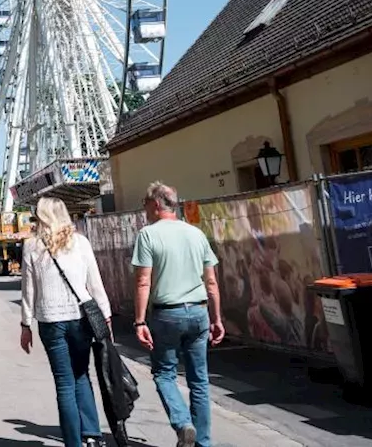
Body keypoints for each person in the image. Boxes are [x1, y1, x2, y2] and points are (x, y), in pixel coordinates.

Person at [133, 182, 224, 447]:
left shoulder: (148, 235)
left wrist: (139, 321)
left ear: (157, 204)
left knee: (164, 374)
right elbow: (212, 283)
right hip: (199, 312)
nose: (146, 210)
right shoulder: (195, 234)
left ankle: (183, 423)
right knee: (199, 381)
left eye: (146, 204)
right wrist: (217, 318)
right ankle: (202, 443)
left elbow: (143, 282)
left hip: (167, 315)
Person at [20, 198, 111, 447]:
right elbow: (94, 282)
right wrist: (106, 314)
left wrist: (25, 324)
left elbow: (29, 289)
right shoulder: (80, 242)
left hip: (50, 321)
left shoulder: (31, 246)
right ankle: (92, 435)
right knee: (81, 375)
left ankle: (73, 442)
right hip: (81, 318)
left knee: (64, 383)